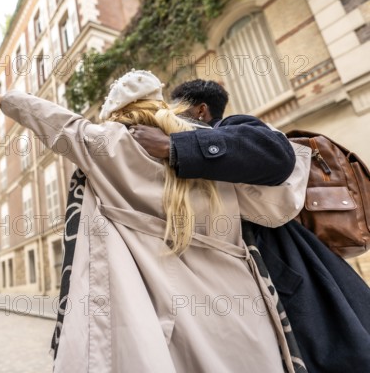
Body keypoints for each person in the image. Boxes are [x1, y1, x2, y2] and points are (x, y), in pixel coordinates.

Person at [0, 71, 308, 372]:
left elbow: (52, 120)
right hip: (242, 304)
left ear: (117, 112)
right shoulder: (208, 143)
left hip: (171, 309)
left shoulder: (109, 144)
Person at [130, 78, 370, 373]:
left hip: (284, 269)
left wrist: (173, 145)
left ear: (201, 111)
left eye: (177, 110)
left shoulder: (231, 126)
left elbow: (277, 155)